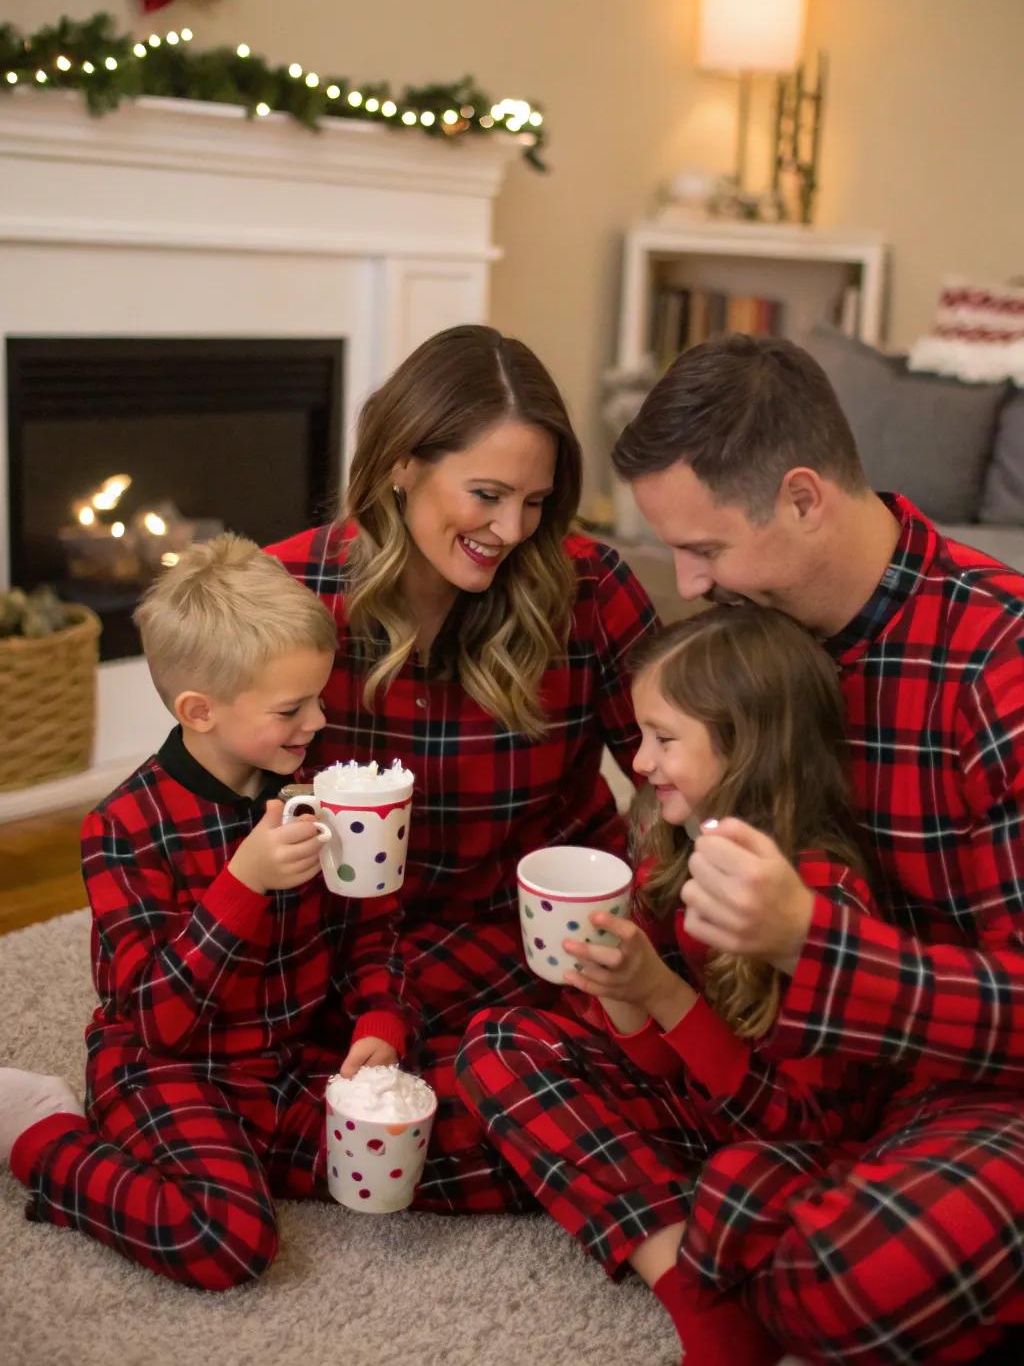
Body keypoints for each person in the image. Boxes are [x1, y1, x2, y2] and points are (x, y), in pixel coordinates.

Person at [603, 333, 1024, 1363]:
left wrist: (812, 940)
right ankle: (759, 1196)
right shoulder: (747, 648)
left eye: (704, 550)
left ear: (801, 498)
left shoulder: (997, 669)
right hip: (791, 1073)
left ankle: (758, 1208)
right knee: (505, 1039)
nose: (688, 586)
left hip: (969, 1084)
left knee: (847, 1276)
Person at [457, 604, 894, 1366]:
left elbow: (800, 1122)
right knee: (497, 1043)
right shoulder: (669, 853)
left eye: (664, 739)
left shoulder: (817, 896)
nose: (640, 761)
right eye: (642, 736)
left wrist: (662, 994)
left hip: (796, 1138)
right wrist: (626, 990)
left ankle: (672, 1220)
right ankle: (688, 1284)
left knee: (740, 1183)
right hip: (698, 1108)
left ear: (746, 747)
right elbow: (658, 1063)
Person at [0, 534, 408, 1289]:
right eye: (292, 707)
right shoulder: (121, 826)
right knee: (225, 1240)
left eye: (319, 696)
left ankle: (251, 1156)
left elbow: (371, 928)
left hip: (287, 1063)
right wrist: (243, 882)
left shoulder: (319, 788)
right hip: (166, 1068)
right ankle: (37, 1129)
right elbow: (158, 1020)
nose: (318, 721)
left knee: (428, 1155)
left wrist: (381, 1021)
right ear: (200, 710)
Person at [268, 324, 657, 1065]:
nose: (512, 529)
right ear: (401, 466)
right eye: (487, 494)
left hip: (528, 935)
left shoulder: (590, 588)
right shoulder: (287, 595)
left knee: (529, 1075)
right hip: (346, 942)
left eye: (536, 500)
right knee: (243, 1068)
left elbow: (677, 780)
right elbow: (208, 802)